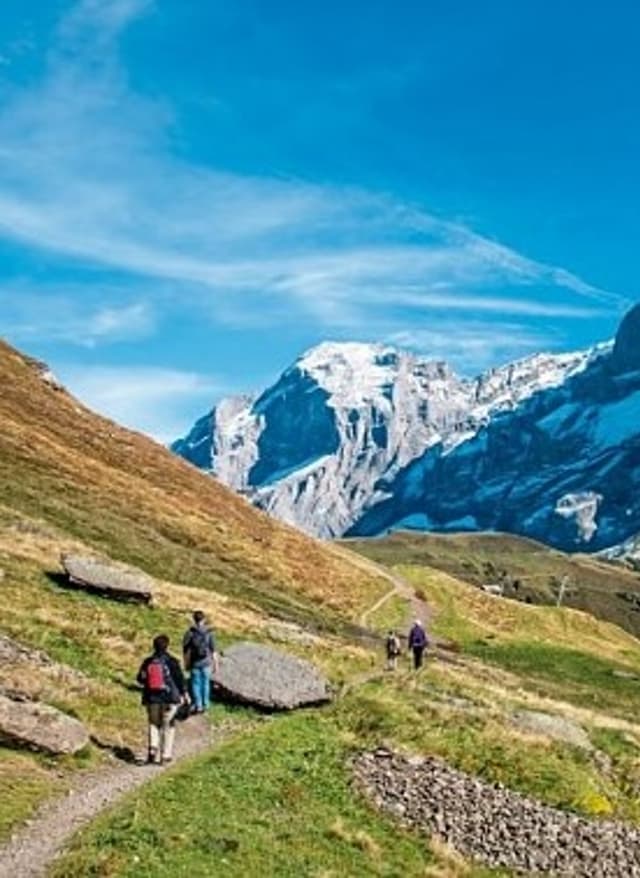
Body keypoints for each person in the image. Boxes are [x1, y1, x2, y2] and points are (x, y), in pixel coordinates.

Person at [136, 634, 187, 765]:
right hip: (169, 698)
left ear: (154, 646)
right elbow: (180, 680)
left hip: (151, 698)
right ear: (167, 646)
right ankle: (165, 755)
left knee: (153, 724)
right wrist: (184, 694)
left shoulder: (148, 662)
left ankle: (152, 749)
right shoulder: (172, 661)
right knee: (168, 726)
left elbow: (140, 679)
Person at [183, 610, 218, 713]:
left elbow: (186, 652)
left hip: (195, 663)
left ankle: (198, 705)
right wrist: (216, 664)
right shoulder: (209, 633)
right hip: (206, 662)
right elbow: (213, 649)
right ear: (204, 619)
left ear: (194, 619)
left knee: (195, 684)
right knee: (206, 683)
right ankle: (206, 704)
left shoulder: (190, 633)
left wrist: (186, 663)